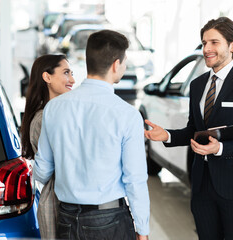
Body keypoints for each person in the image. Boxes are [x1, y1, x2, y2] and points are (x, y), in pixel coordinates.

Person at [145, 17, 233, 240]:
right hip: (201, 185)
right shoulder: (198, 84)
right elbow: (195, 128)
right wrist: (168, 135)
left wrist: (220, 148)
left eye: (214, 42)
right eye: (204, 43)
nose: (207, 49)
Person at [33, 30, 150, 240]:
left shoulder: (54, 108)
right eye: (124, 62)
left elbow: (42, 172)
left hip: (66, 218)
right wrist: (143, 229)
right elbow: (135, 180)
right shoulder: (127, 115)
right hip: (109, 220)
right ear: (116, 64)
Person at [21, 54, 75, 239]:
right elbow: (46, 170)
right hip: (57, 204)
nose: (72, 80)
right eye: (66, 73)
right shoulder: (44, 118)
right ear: (47, 77)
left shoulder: (60, 113)